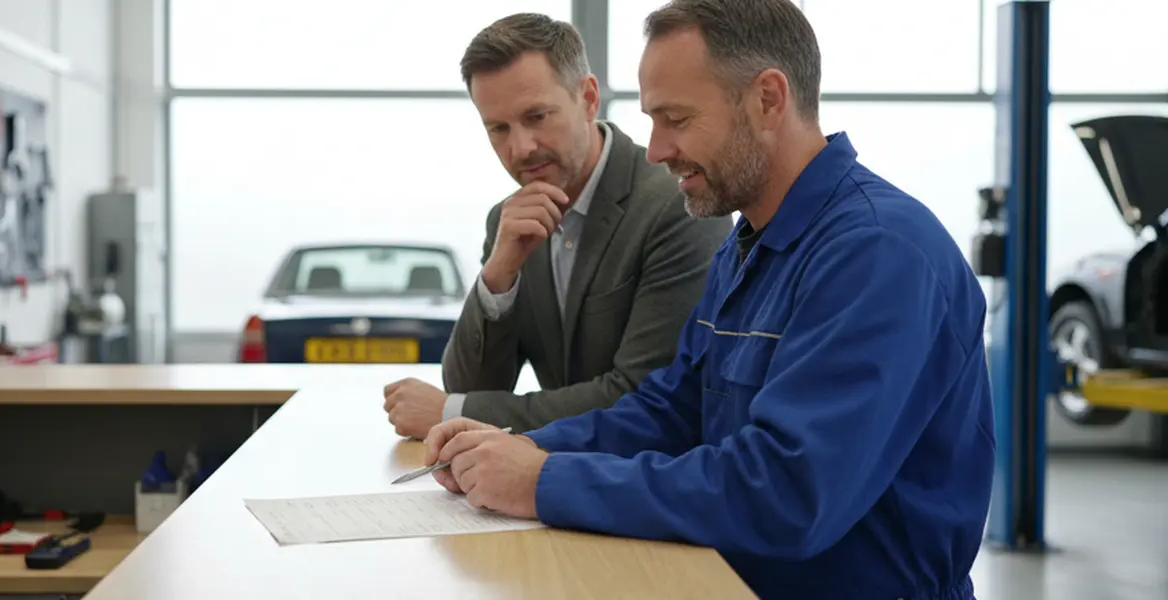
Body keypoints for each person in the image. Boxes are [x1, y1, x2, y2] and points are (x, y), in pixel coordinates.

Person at [419, 1, 996, 599]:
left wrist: (546, 481)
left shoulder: (878, 254)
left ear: (768, 99)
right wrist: (527, 446)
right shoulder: (750, 245)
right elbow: (673, 409)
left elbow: (787, 494)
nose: (655, 150)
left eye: (676, 118)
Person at [383, 13, 732, 440]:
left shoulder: (676, 204)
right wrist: (498, 275)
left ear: (588, 99)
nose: (521, 147)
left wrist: (452, 411)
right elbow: (474, 387)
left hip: (649, 481)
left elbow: (642, 399)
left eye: (537, 116)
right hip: (549, 478)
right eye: (498, 128)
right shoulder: (509, 221)